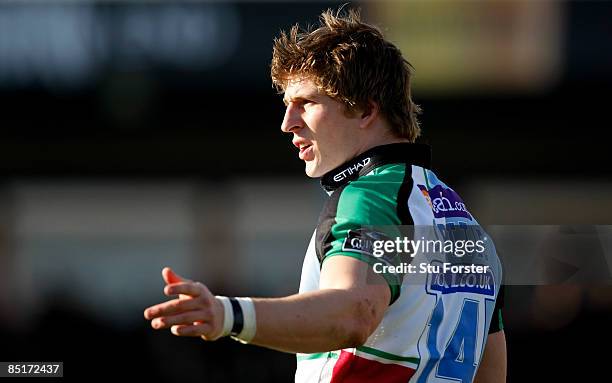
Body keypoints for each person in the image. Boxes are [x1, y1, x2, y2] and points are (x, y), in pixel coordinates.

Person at [144, 8, 506, 383]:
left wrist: (229, 316)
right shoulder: (469, 228)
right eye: (287, 105)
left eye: (307, 103)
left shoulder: (372, 195)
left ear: (366, 110)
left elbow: (354, 313)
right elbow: (491, 370)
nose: (288, 123)